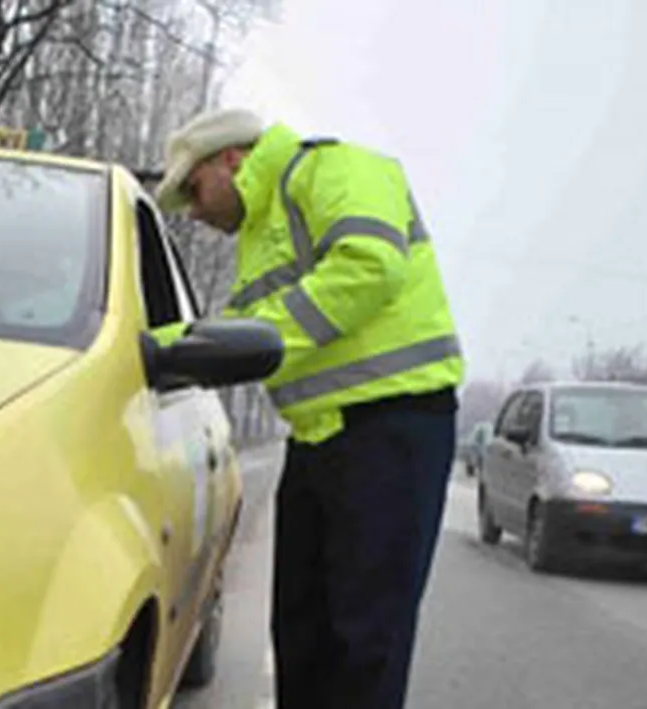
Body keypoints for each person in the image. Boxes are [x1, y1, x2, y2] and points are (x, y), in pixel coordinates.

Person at [151, 108, 465, 709]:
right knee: (301, 631)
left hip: (393, 430)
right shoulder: (257, 239)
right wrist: (153, 352)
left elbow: (368, 266)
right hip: (319, 439)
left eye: (193, 189)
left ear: (231, 160)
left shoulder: (334, 168)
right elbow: (237, 334)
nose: (193, 210)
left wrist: (263, 341)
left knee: (364, 639)